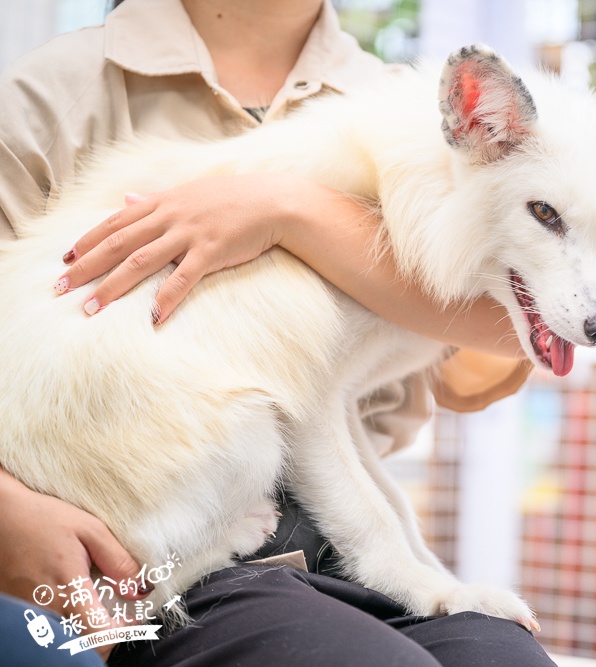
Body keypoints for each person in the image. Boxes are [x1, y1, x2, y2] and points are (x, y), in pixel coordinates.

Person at [0, 0, 553, 664]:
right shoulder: (53, 92)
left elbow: (500, 340)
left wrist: (286, 209)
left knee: (503, 657)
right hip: (158, 532)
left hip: (336, 530)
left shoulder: (394, 99)